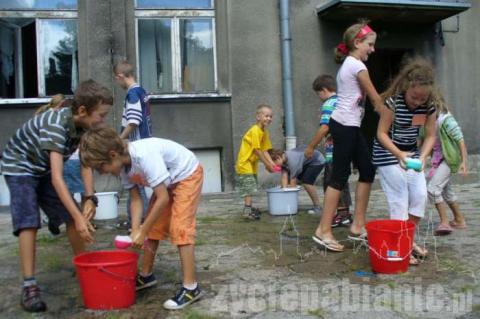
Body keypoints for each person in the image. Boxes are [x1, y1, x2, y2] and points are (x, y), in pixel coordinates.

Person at [1, 80, 113, 312]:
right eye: (101, 115)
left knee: (72, 217)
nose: (103, 120)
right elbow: (57, 179)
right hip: (19, 166)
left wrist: (90, 197)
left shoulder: (83, 127)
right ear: (82, 111)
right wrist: (79, 216)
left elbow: (85, 163)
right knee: (29, 221)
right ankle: (29, 287)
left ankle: (85, 267)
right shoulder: (56, 125)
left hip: (43, 169)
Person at [79, 127, 204, 310]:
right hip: (167, 183)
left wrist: (142, 230)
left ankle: (191, 287)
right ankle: (146, 276)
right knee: (153, 228)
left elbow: (163, 198)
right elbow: (136, 199)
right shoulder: (122, 167)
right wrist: (137, 229)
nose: (102, 172)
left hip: (187, 174)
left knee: (180, 228)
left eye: (100, 167)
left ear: (113, 155)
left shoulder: (144, 156)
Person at [312, 21, 384, 252]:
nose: (372, 50)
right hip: (344, 125)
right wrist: (392, 111)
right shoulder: (356, 65)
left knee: (367, 169)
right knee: (339, 176)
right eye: (370, 45)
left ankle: (357, 225)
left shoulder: (349, 64)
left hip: (350, 125)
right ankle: (323, 230)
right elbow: (374, 97)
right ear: (357, 43)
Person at [372, 57, 437, 265]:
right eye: (414, 97)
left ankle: (406, 240)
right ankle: (401, 246)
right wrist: (399, 155)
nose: (417, 102)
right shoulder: (393, 102)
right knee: (399, 197)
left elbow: (430, 136)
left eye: (421, 99)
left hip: (412, 154)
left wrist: (424, 156)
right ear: (407, 87)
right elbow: (381, 134)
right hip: (387, 152)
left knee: (419, 196)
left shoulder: (430, 106)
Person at [305, 74, 352, 222]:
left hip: (333, 152)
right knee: (342, 182)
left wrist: (311, 147)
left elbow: (324, 127)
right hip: (346, 150)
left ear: (324, 90)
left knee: (331, 184)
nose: (319, 97)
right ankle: (344, 214)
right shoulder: (342, 102)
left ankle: (338, 215)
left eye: (318, 93)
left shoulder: (328, 104)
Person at [113, 60, 152, 228]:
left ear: (121, 76)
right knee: (135, 183)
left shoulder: (132, 94)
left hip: (137, 144)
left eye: (116, 79)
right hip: (145, 141)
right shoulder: (142, 91)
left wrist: (120, 139)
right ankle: (134, 220)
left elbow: (134, 120)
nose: (117, 82)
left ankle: (142, 221)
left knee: (137, 185)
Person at [426, 90, 468, 235]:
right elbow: (421, 137)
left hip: (449, 159)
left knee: (433, 188)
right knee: (446, 190)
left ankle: (444, 222)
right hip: (438, 159)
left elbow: (460, 140)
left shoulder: (445, 119)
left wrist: (464, 162)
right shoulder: (425, 118)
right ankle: (459, 220)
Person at [235, 104, 277, 220]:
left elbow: (265, 150)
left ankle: (249, 208)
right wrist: (267, 164)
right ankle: (247, 211)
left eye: (271, 116)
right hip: (245, 163)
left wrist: (272, 164)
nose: (269, 119)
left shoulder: (264, 132)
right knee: (249, 188)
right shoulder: (255, 130)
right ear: (258, 116)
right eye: (266, 116)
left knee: (251, 187)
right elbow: (257, 150)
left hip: (252, 164)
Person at [268, 147, 325, 213]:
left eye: (274, 164)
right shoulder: (283, 159)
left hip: (317, 160)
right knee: (297, 179)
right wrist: (284, 189)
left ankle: (317, 206)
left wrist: (289, 201)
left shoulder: (292, 161)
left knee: (307, 182)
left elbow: (293, 182)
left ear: (278, 158)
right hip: (306, 161)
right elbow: (284, 176)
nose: (274, 166)